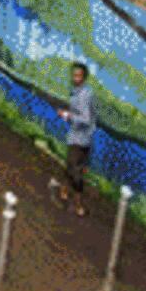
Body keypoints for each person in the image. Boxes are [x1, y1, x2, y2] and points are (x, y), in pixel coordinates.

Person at [56, 62, 96, 217]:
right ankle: (64, 192)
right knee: (71, 168)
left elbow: (85, 119)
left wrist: (67, 115)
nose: (75, 77)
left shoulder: (86, 94)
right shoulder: (75, 91)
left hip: (82, 140)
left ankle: (79, 205)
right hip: (75, 137)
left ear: (84, 77)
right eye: (74, 74)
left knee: (76, 173)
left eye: (78, 75)